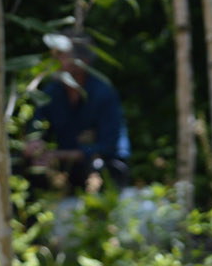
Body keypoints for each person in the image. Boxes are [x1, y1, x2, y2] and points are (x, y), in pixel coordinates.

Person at [24, 35, 132, 193]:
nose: (53, 62)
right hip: (65, 165)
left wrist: (58, 155)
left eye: (61, 56)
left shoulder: (103, 93)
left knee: (102, 168)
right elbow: (36, 126)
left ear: (82, 62)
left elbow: (108, 146)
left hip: (103, 166)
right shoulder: (52, 91)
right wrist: (34, 144)